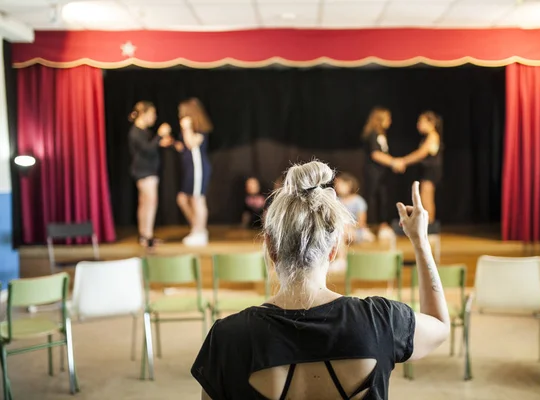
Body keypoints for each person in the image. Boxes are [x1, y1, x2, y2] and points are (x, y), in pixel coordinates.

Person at [191, 161, 450, 400]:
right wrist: (420, 242)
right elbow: (439, 325)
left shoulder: (227, 339)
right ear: (333, 248)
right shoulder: (379, 320)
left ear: (270, 247)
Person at [127, 101, 172, 248]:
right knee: (149, 203)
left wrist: (160, 141)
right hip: (144, 172)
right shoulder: (136, 132)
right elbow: (147, 149)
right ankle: (146, 236)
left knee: (145, 203)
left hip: (148, 171)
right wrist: (159, 135)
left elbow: (150, 146)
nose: (154, 117)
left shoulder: (144, 131)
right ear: (143, 114)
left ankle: (145, 235)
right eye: (152, 114)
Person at [174, 98, 213, 246]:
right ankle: (197, 228)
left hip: (199, 168)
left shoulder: (198, 128)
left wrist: (186, 128)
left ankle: (200, 232)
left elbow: (191, 144)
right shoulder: (189, 129)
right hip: (190, 168)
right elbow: (185, 146)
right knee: (182, 199)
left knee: (197, 199)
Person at [362, 107, 404, 241]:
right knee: (373, 199)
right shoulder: (373, 134)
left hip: (382, 174)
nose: (390, 121)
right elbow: (375, 154)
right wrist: (393, 162)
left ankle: (382, 225)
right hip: (373, 173)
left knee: (382, 199)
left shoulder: (381, 134)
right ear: (379, 119)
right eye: (388, 118)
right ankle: (373, 226)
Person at [395, 111, 443, 224]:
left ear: (431, 123)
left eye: (421, 121)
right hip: (427, 171)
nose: (418, 124)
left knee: (427, 198)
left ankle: (430, 226)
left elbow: (421, 153)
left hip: (431, 171)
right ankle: (428, 225)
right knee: (423, 197)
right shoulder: (427, 137)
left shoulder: (433, 136)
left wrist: (403, 161)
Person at [334, 172, 375, 243]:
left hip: (355, 230)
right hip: (341, 230)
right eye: (336, 184)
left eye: (340, 184)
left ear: (349, 184)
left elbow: (361, 223)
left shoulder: (358, 201)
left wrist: (349, 227)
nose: (337, 186)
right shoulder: (336, 201)